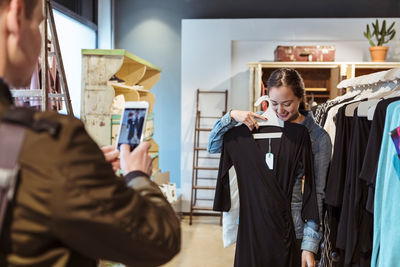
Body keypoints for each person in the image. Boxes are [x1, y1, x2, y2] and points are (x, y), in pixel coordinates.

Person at [0, 0, 180, 266]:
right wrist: (138, 176)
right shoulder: (50, 144)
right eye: (38, 23)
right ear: (16, 16)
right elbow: (160, 239)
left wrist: (83, 171)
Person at [208, 68, 332, 267]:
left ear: (300, 98)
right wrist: (232, 116)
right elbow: (213, 146)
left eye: (287, 104)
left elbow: (317, 192)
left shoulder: (316, 137)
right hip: (254, 226)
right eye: (274, 104)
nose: (280, 111)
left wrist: (309, 245)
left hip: (294, 229)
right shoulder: (255, 124)